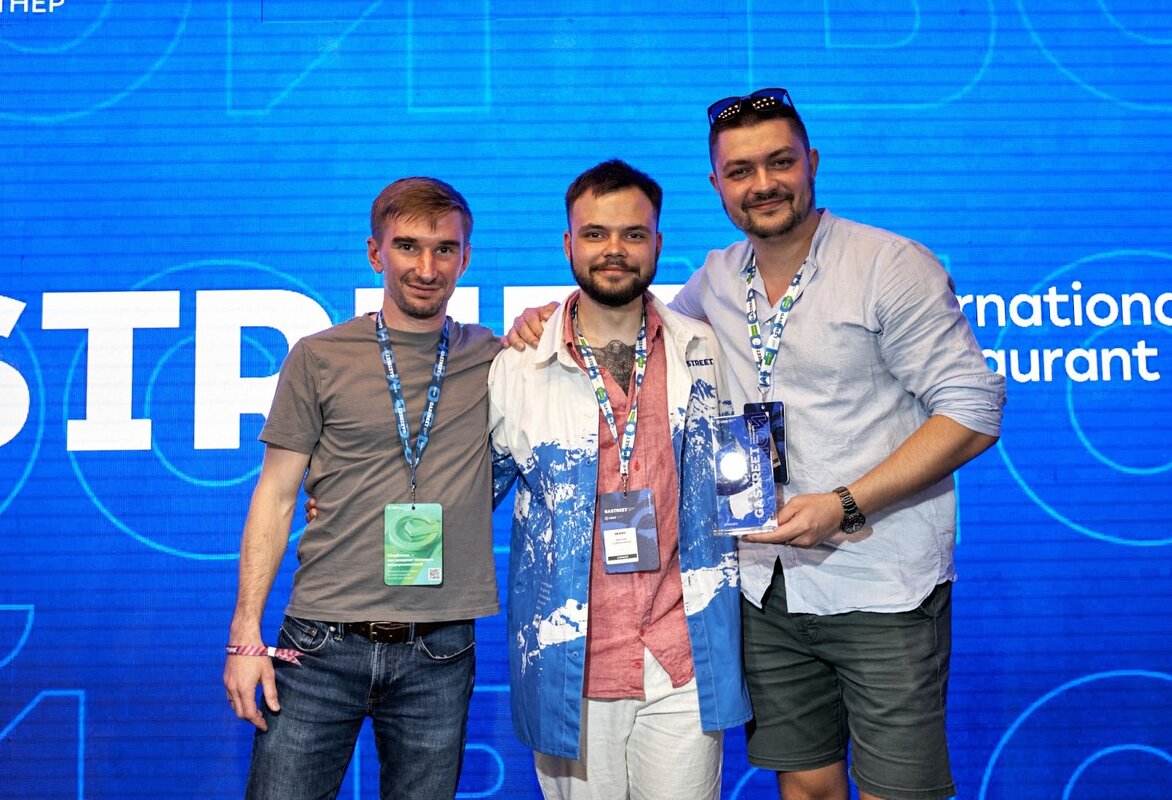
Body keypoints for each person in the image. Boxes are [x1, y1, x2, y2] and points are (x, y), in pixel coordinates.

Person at [508, 90, 1007, 800]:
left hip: (880, 585)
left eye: (780, 162)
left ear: (812, 162)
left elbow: (974, 410)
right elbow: (626, 321)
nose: (763, 184)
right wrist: (548, 319)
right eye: (741, 171)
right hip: (763, 588)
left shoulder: (889, 265)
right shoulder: (714, 281)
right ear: (717, 184)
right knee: (804, 786)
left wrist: (844, 503)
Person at [223, 177, 500, 800]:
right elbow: (276, 495)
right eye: (407, 247)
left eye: (444, 249)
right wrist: (245, 635)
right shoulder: (318, 356)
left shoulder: (496, 357)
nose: (426, 268)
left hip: (440, 648)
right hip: (320, 643)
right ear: (375, 253)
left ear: (465, 258)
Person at [489, 159, 751, 800]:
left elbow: (746, 487)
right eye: (595, 233)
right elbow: (464, 493)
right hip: (571, 658)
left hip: (683, 652)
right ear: (568, 244)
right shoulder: (517, 365)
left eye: (633, 234)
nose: (614, 249)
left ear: (657, 243)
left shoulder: (705, 350)